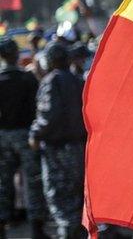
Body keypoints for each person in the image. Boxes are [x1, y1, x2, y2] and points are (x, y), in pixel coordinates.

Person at [29, 44, 86, 239]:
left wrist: (35, 134)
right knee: (76, 198)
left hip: (57, 150)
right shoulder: (78, 81)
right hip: (78, 148)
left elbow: (48, 115)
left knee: (60, 199)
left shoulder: (50, 81)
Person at [0, 38, 47, 239]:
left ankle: (2, 227)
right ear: (16, 54)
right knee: (33, 182)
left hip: (3, 136)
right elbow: (38, 106)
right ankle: (37, 229)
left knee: (4, 183)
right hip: (26, 136)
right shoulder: (28, 79)